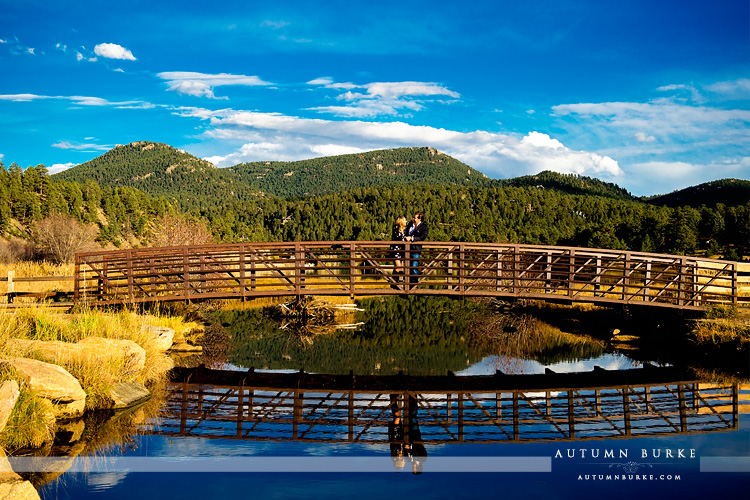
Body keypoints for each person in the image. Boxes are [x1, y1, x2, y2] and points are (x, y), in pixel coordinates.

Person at [404, 211, 428, 286]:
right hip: (407, 249)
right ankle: (408, 284)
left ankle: (414, 284)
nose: (413, 218)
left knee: (414, 267)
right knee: (407, 267)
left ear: (420, 219)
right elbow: (405, 232)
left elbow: (422, 237)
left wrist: (412, 238)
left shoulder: (424, 227)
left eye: (415, 217)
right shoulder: (410, 224)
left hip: (416, 249)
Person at [389, 216, 407, 281]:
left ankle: (395, 280)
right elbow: (398, 237)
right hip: (395, 250)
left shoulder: (405, 229)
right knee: (398, 266)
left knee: (400, 266)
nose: (406, 221)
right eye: (405, 220)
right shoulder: (396, 228)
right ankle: (394, 280)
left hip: (401, 250)